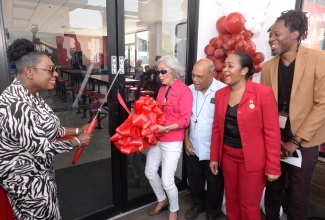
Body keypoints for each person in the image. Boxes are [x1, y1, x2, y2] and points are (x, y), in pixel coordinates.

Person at [0, 38, 92, 219]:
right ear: (29, 71)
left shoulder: (33, 95)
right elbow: (41, 148)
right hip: (26, 183)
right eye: (50, 69)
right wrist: (76, 142)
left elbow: (52, 129)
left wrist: (77, 130)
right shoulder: (14, 103)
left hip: (41, 175)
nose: (56, 74)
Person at [261, 10, 325, 220]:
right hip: (275, 140)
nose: (271, 39)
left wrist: (296, 141)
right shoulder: (268, 67)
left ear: (296, 34)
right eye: (271, 35)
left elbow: (322, 104)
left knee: (298, 197)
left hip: (304, 142)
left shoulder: (319, 58)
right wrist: (273, 140)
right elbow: (265, 106)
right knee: (272, 191)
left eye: (277, 34)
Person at [209, 51, 281, 220]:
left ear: (244, 70)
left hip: (252, 160)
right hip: (228, 157)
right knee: (232, 203)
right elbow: (217, 128)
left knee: (248, 206)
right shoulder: (220, 94)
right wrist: (214, 157)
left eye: (230, 66)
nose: (224, 69)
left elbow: (272, 133)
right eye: (224, 65)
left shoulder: (263, 93)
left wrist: (273, 167)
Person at [145, 55, 193, 220]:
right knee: (150, 172)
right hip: (157, 138)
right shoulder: (161, 89)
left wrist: (164, 128)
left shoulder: (184, 91)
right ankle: (162, 199)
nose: (160, 75)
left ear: (174, 71)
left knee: (167, 180)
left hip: (172, 140)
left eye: (163, 71)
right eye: (158, 71)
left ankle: (174, 209)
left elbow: (185, 120)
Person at [184, 59, 226, 220]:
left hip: (213, 148)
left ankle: (212, 212)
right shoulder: (188, 90)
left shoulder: (223, 91)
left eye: (200, 77)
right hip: (192, 145)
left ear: (212, 75)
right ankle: (197, 205)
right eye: (193, 75)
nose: (195, 80)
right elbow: (186, 119)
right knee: (194, 180)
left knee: (215, 183)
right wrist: (186, 141)